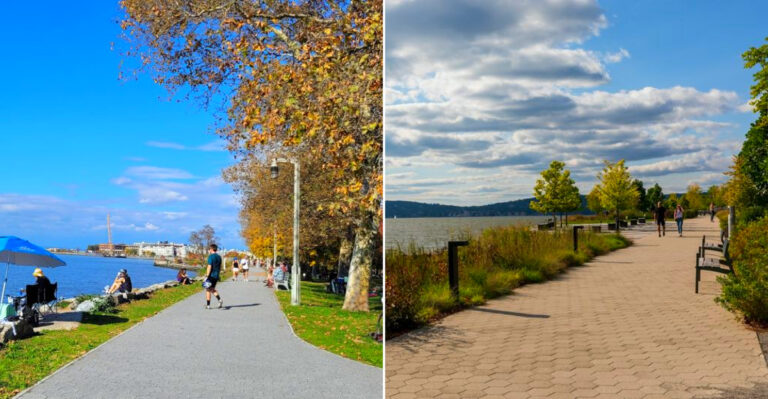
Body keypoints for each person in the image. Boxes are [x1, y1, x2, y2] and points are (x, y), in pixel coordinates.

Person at [204, 244, 223, 309]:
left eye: (209, 249)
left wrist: (207, 275)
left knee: (208, 289)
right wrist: (218, 275)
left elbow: (209, 266)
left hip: (211, 276)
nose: (209, 250)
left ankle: (208, 305)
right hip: (216, 276)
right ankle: (219, 300)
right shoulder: (219, 257)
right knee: (212, 289)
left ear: (211, 249)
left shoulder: (211, 256)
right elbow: (219, 267)